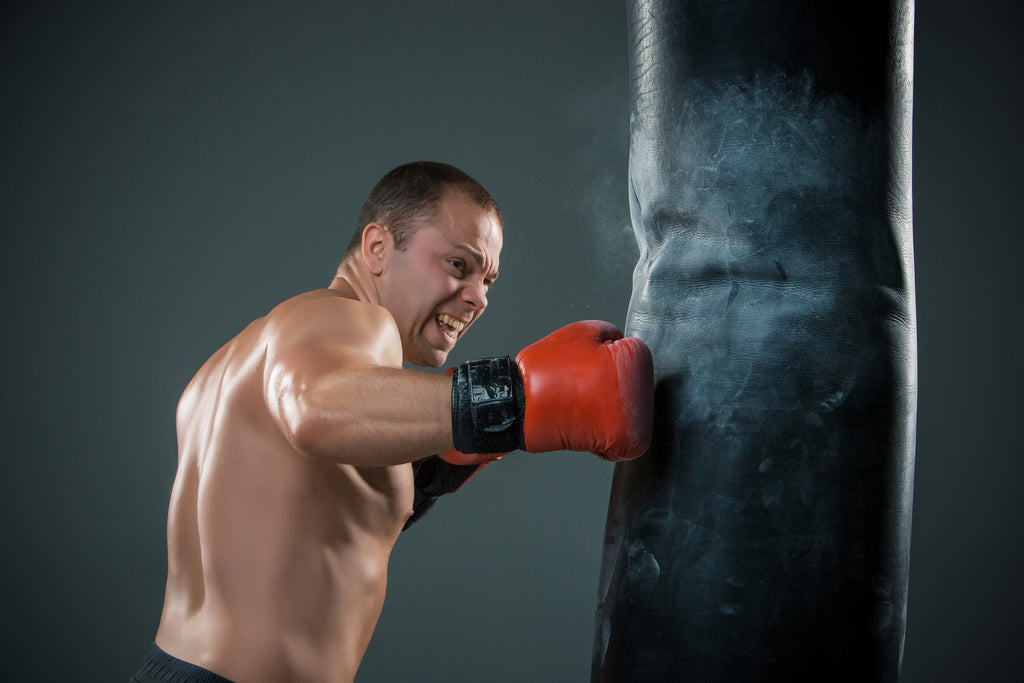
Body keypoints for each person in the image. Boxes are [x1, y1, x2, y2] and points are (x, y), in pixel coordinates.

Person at [131, 161, 654, 683]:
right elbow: (311, 409)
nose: (479, 296)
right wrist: (511, 400)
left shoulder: (228, 367)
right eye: (457, 264)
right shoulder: (351, 318)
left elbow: (307, 531)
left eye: (487, 279)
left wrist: (425, 474)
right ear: (377, 248)